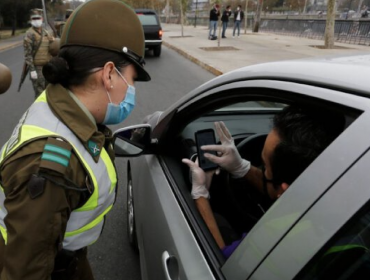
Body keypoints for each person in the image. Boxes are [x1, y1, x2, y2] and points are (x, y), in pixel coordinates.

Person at [0, 0, 150, 279]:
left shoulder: (59, 101)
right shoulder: (51, 166)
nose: (132, 89)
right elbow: (26, 271)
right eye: (133, 79)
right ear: (108, 74)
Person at [183, 105, 344, 258]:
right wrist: (241, 167)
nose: (261, 169)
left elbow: (220, 257)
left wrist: (201, 194)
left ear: (285, 190)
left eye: (265, 166)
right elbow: (276, 187)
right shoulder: (338, 183)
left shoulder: (278, 237)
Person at [23, 9, 54, 98]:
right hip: (38, 68)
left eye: (38, 18)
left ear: (42, 19)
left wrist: (53, 41)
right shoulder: (29, 34)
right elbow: (28, 54)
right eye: (34, 18)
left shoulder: (46, 32)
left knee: (49, 92)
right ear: (31, 20)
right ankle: (39, 110)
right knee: (40, 94)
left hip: (48, 66)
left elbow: (52, 47)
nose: (36, 20)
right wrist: (32, 70)